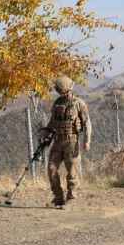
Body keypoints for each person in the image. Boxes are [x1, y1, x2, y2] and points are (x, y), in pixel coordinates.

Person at [44, 76, 91, 208]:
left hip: (72, 141)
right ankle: (58, 197)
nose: (61, 92)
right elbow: (52, 122)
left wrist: (87, 141)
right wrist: (46, 133)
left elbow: (87, 123)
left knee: (72, 171)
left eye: (62, 90)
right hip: (58, 141)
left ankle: (72, 198)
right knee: (51, 169)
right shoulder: (57, 103)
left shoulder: (79, 103)